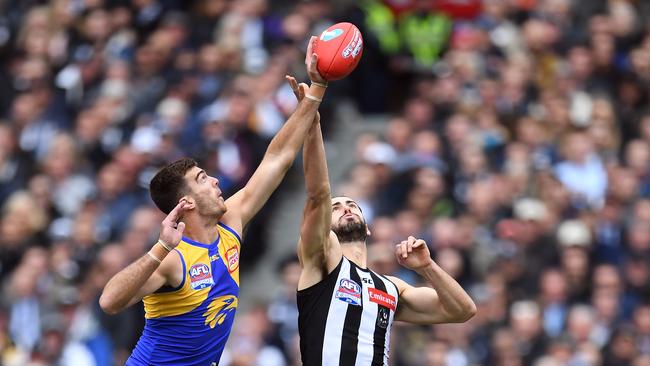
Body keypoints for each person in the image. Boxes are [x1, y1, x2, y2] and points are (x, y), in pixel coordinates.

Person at [98, 37, 329, 365]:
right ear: (187, 203)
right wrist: (159, 248)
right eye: (202, 180)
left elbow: (276, 159)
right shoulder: (172, 258)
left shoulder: (230, 224)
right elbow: (109, 301)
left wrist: (315, 92)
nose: (216, 180)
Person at [287, 77, 476, 365]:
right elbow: (317, 194)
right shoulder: (321, 260)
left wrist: (427, 267)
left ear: (368, 225)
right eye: (336, 208)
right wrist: (312, 122)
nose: (346, 207)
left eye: (352, 204)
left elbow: (462, 311)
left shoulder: (390, 287)